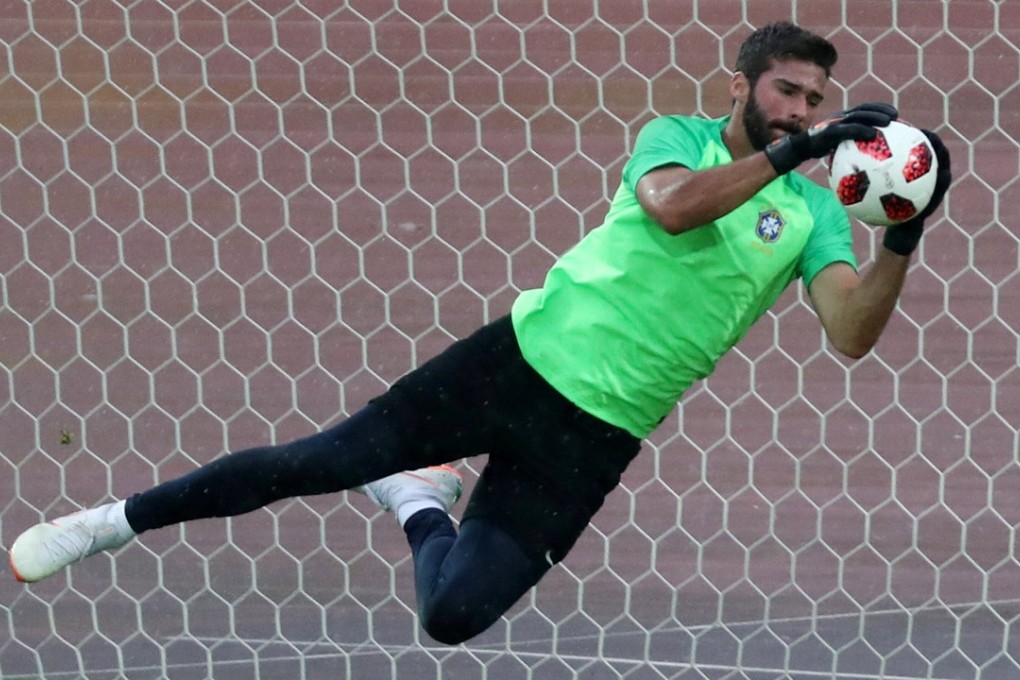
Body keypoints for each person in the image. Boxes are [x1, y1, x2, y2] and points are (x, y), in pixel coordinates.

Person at [8, 21, 951, 645]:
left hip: (598, 435)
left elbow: (851, 331)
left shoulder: (816, 215)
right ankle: (104, 526)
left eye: (816, 103)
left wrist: (902, 233)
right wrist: (798, 153)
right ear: (743, 84)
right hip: (515, 364)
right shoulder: (680, 137)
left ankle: (419, 501)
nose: (801, 112)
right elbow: (670, 211)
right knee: (318, 459)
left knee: (453, 616)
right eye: (787, 91)